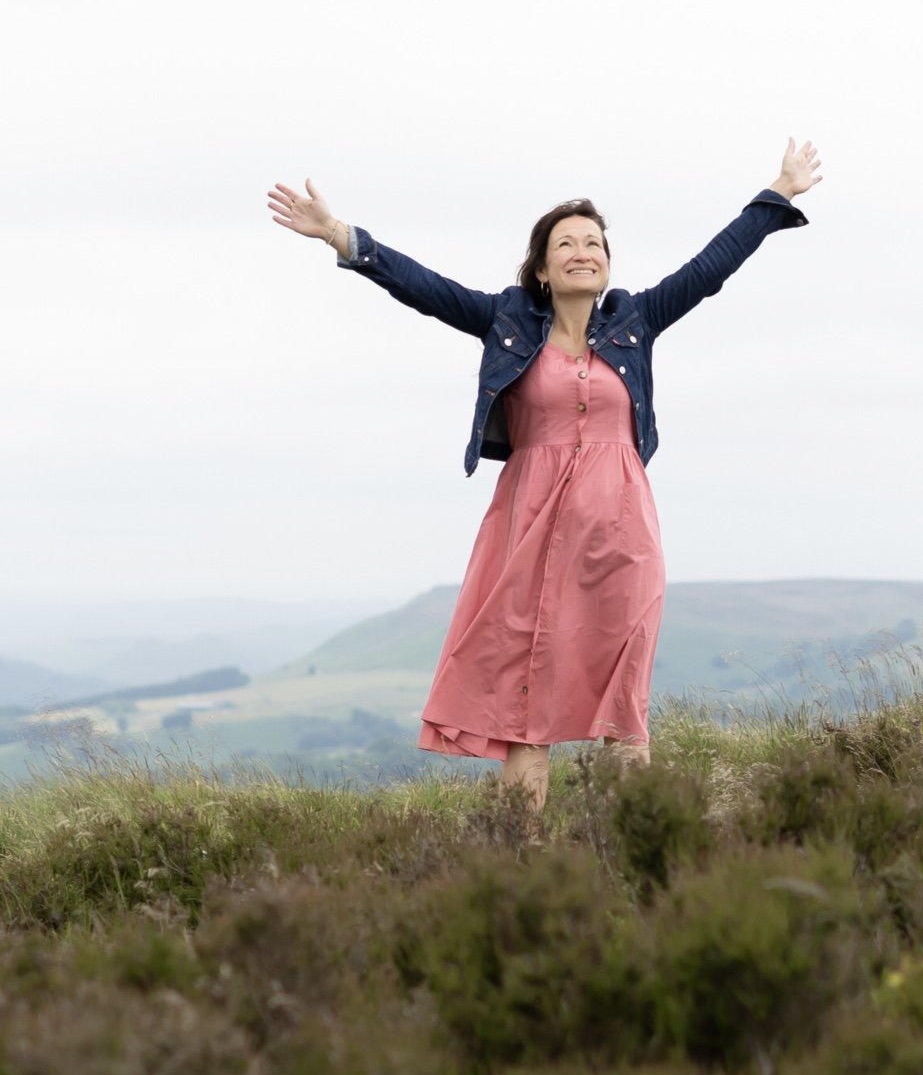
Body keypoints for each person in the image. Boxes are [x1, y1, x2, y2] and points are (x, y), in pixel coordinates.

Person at [268, 137, 821, 810]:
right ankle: (522, 866)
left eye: (594, 242)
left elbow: (711, 267)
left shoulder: (636, 323)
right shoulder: (506, 321)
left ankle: (635, 855)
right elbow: (426, 288)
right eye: (566, 243)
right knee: (528, 708)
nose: (583, 251)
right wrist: (340, 234)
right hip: (531, 535)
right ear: (541, 268)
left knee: (626, 709)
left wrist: (779, 193)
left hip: (623, 539)